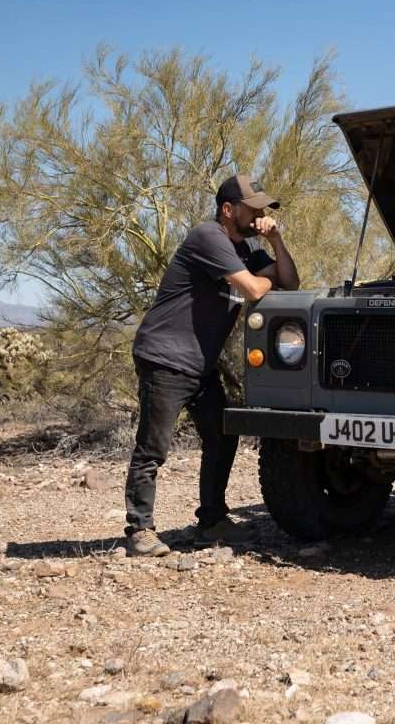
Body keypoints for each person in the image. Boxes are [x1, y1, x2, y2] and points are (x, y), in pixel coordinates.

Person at [123, 174, 300, 556]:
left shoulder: (247, 249)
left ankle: (213, 521)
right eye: (252, 208)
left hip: (201, 365)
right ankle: (140, 531)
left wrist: (275, 241)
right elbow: (253, 290)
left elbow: (290, 280)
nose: (259, 214)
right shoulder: (208, 237)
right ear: (228, 209)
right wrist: (259, 279)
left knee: (222, 435)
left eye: (262, 209)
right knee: (153, 448)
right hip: (165, 358)